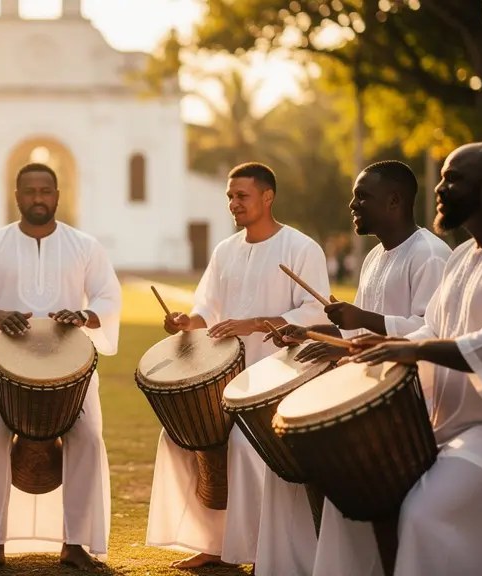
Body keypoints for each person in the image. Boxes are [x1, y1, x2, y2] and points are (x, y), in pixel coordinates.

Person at [322, 142, 482, 576]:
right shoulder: (463, 255)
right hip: (445, 424)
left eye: (453, 179)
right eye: (443, 177)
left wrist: (414, 349)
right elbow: (436, 328)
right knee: (352, 491)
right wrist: (379, 345)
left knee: (425, 514)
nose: (440, 188)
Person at [262, 160, 450, 575]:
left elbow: (431, 331)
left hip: (413, 403)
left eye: (362, 196)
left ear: (395, 201)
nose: (352, 204)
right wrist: (311, 334)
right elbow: (356, 334)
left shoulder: (431, 255)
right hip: (368, 392)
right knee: (321, 474)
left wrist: (361, 319)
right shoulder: (373, 259)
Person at [145, 162, 330, 571]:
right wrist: (185, 322)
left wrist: (257, 323)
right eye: (230, 196)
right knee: (178, 439)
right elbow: (205, 308)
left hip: (278, 380)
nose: (233, 204)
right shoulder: (225, 250)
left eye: (241, 196)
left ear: (268, 196)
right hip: (222, 379)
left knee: (245, 448)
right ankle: (213, 543)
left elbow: (315, 314)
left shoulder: (301, 248)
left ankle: (251, 551)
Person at [0, 163, 122, 573]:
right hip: (0, 365)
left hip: (71, 368)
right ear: (17, 196)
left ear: (58, 196)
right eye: (30, 191)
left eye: (46, 190)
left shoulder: (85, 245)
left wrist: (83, 315)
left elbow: (108, 298)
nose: (38, 198)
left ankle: (76, 542)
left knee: (88, 437)